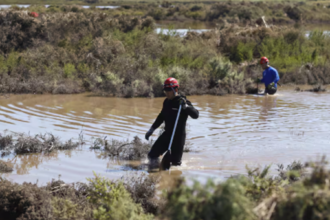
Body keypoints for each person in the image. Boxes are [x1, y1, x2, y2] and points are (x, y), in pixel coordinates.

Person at [145, 77, 199, 171]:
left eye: (169, 91)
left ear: (176, 90)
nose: (166, 93)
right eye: (165, 90)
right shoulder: (167, 102)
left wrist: (186, 107)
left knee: (175, 166)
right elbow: (161, 116)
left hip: (178, 138)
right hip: (167, 135)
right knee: (152, 156)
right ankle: (154, 173)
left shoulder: (183, 102)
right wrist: (151, 129)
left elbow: (196, 115)